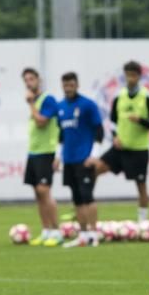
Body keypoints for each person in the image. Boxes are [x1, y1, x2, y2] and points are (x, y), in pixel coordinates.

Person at [91, 60, 149, 222]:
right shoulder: (119, 97)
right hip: (119, 148)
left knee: (141, 185)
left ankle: (142, 222)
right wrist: (115, 136)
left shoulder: (147, 98)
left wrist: (141, 120)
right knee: (92, 171)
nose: (130, 78)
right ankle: (86, 207)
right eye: (128, 75)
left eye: (133, 75)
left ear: (139, 76)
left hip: (138, 150)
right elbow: (113, 121)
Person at [55, 71, 104, 248]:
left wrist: (94, 155)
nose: (68, 88)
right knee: (76, 198)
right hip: (68, 160)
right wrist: (58, 157)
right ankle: (83, 235)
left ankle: (94, 234)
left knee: (87, 196)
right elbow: (61, 134)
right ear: (62, 86)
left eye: (71, 84)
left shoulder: (88, 105)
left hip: (85, 159)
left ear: (77, 84)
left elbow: (99, 131)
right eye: (65, 85)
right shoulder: (60, 107)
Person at [22, 67, 63, 247]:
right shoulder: (36, 101)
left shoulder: (48, 100)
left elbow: (41, 122)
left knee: (44, 191)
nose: (28, 82)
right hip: (33, 152)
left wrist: (31, 104)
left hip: (46, 151)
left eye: (31, 79)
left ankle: (56, 231)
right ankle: (46, 230)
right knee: (37, 193)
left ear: (39, 80)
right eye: (26, 79)